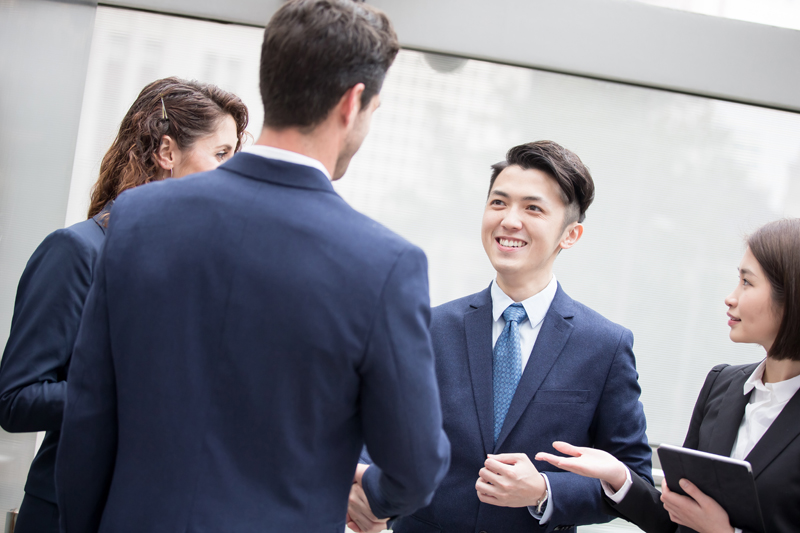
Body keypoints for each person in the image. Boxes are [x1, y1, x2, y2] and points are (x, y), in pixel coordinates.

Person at [55, 1, 450, 532]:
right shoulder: (385, 263)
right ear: (353, 103)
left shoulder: (138, 218)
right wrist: (373, 494)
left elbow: (88, 417)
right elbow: (416, 466)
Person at [348, 141, 652, 533]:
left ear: (571, 234)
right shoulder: (428, 327)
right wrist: (367, 492)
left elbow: (632, 477)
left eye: (533, 208)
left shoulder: (605, 346)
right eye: (498, 203)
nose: (509, 220)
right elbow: (377, 433)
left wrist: (545, 490)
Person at [0, 76, 248, 533]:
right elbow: (16, 399)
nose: (233, 173)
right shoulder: (77, 250)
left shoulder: (195, 268)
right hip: (67, 516)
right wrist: (137, 388)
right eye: (221, 155)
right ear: (167, 152)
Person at [536, 218, 800, 533]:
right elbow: (673, 521)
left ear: (792, 296)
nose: (731, 297)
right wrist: (619, 476)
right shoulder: (723, 385)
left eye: (747, 282)